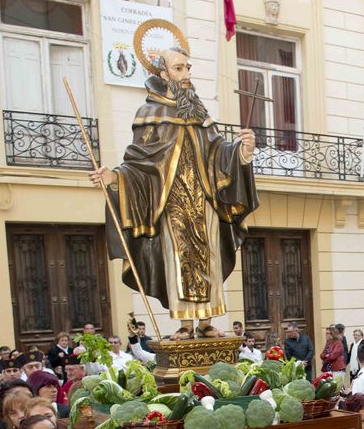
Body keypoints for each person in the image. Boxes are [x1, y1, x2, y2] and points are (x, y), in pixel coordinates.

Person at [90, 46, 257, 330]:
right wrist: (115, 179)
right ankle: (185, 325)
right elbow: (140, 163)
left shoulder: (198, 113)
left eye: (187, 68)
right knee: (177, 259)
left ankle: (206, 323)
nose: (186, 74)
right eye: (179, 68)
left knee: (209, 259)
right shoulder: (150, 113)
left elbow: (218, 151)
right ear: (163, 73)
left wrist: (243, 151)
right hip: (171, 201)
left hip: (204, 201)